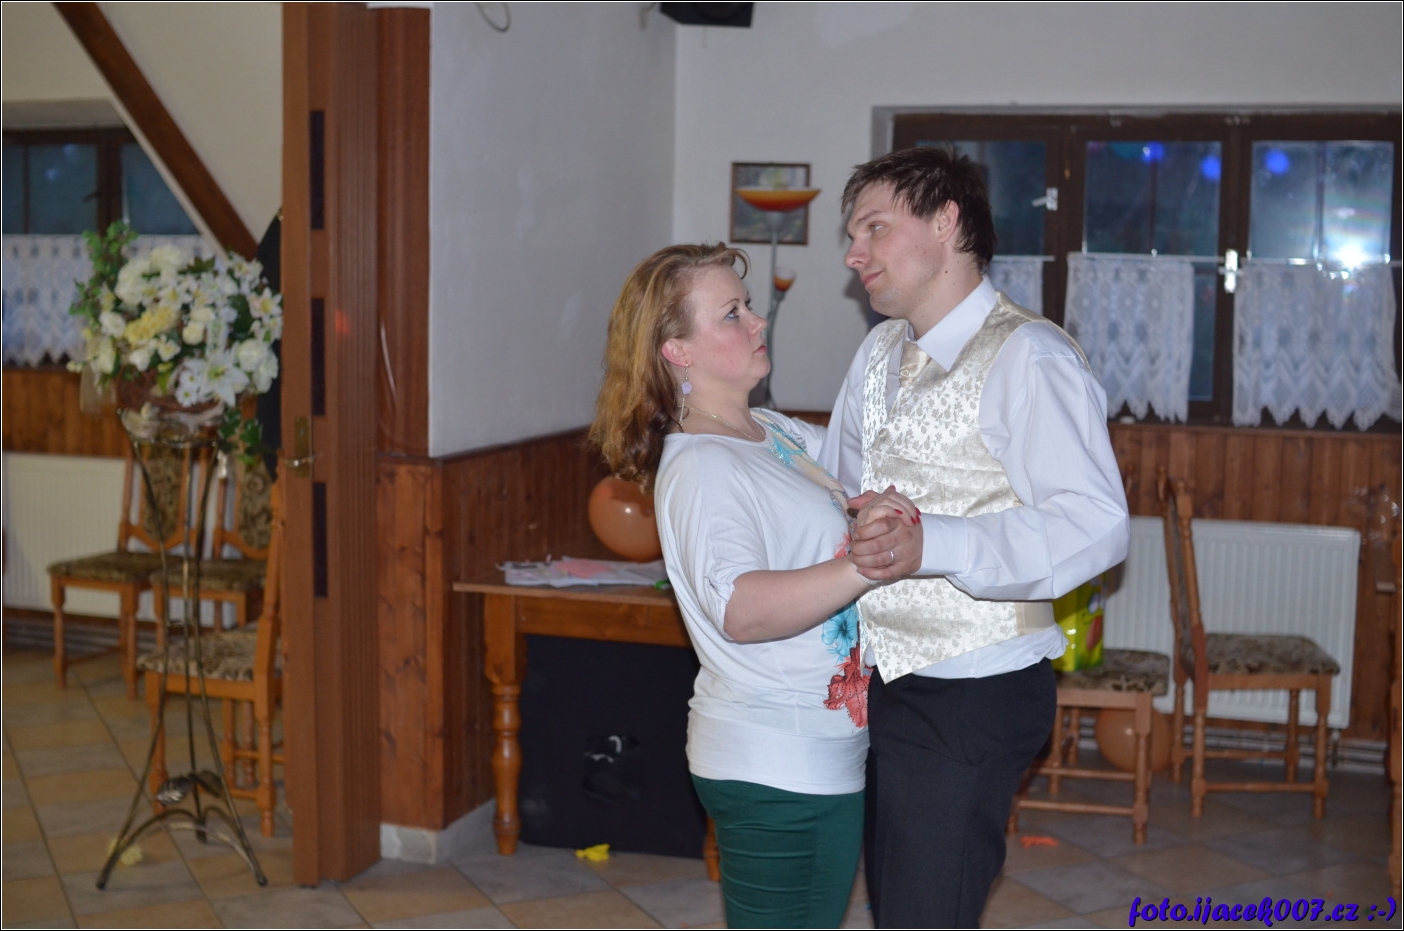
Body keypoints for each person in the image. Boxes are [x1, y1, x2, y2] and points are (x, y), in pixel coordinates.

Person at [818, 147, 1131, 927]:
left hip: (975, 688)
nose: (855, 253)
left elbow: (1095, 523)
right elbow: (842, 489)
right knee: (901, 907)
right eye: (853, 235)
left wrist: (937, 545)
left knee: (928, 912)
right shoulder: (876, 353)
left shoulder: (1030, 355)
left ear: (946, 221)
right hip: (886, 680)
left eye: (874, 228)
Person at [589, 243, 912, 928]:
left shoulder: (767, 431)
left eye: (748, 306)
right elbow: (740, 608)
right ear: (676, 350)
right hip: (774, 760)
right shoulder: (702, 466)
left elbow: (861, 475)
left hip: (816, 751)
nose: (758, 321)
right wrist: (862, 564)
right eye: (731, 313)